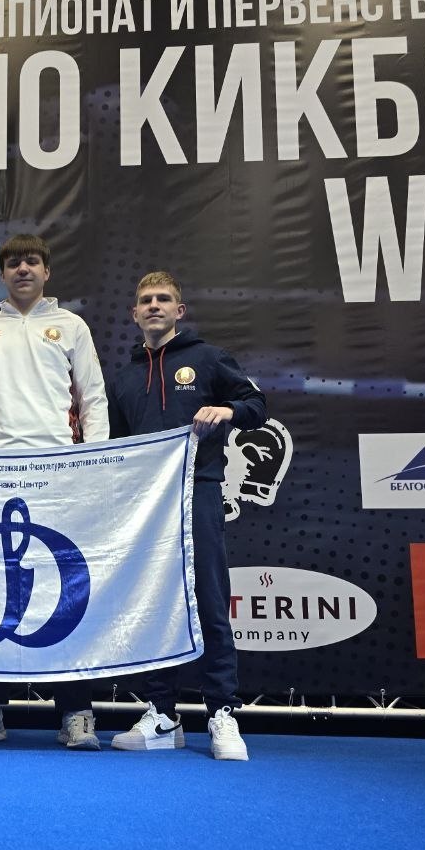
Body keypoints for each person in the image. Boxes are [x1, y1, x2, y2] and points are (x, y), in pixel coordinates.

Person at [0, 233, 110, 749]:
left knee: (68, 590)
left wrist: (92, 464)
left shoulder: (72, 327)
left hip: (59, 471)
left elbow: (93, 398)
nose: (23, 269)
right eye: (14, 263)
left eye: (32, 262)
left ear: (47, 271)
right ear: (1, 274)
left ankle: (77, 712)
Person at [108, 271, 267, 761]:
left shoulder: (208, 358)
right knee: (155, 606)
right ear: (134, 314)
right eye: (145, 300)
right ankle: (163, 715)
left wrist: (228, 411)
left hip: (198, 491)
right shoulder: (124, 378)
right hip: (146, 506)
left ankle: (223, 713)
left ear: (179, 311)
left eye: (163, 299)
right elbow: (117, 448)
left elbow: (257, 404)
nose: (154, 306)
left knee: (209, 601)